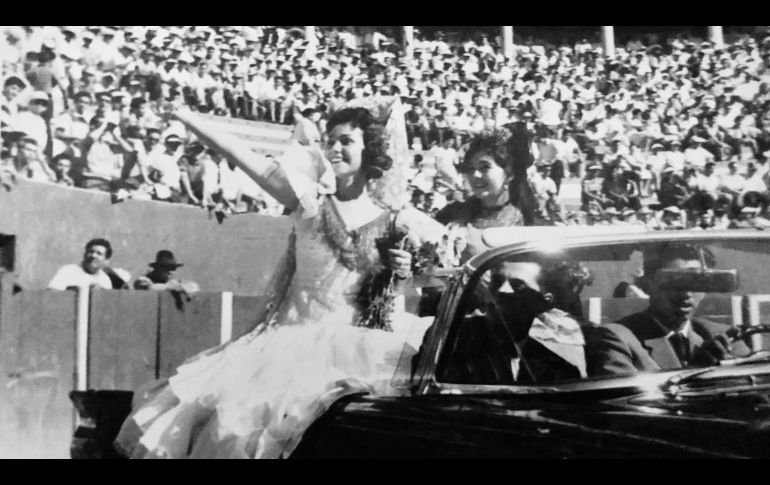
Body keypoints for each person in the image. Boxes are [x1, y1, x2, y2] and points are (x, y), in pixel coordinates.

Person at [115, 97, 446, 459]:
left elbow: (433, 279)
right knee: (240, 434)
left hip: (361, 347)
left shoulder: (398, 221)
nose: (334, 148)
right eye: (330, 140)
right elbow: (247, 157)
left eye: (346, 141)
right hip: (288, 343)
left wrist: (406, 270)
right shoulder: (308, 200)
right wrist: (185, 116)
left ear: (371, 151)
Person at [585, 243, 749, 377]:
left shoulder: (724, 337)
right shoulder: (616, 338)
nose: (686, 293)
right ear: (648, 285)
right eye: (674, 281)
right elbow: (627, 405)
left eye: (696, 281)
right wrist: (698, 369)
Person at [438, 260, 591, 385]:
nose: (503, 290)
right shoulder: (453, 339)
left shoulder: (558, 370)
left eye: (518, 285)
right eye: (497, 282)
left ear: (543, 303)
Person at [434, 127, 532, 264]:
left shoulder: (527, 222)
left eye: (484, 167)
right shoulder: (451, 215)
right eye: (470, 169)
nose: (475, 175)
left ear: (509, 174)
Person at [48, 238, 128, 291]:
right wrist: (73, 290)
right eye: (91, 251)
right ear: (85, 253)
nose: (93, 255)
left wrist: (102, 292)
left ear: (106, 260)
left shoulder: (107, 276)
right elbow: (50, 293)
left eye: (99, 253)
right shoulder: (68, 270)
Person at [133, 250, 199, 293]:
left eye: (173, 268)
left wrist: (181, 286)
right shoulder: (144, 280)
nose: (170, 271)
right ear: (157, 268)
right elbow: (143, 285)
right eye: (167, 268)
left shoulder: (172, 283)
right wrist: (169, 286)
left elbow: (194, 287)